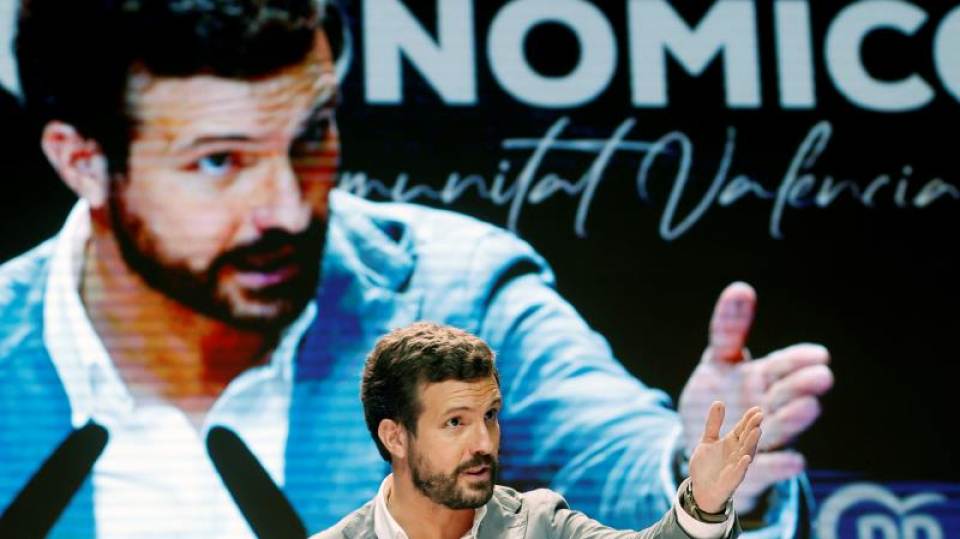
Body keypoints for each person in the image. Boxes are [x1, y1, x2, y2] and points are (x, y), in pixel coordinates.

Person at [0, 0, 833, 537]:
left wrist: (707, 472)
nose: (289, 208)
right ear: (82, 161)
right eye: (220, 160)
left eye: (312, 135)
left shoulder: (458, 288)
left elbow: (616, 460)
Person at [317, 322, 761, 539]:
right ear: (395, 436)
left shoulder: (538, 525)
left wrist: (704, 504)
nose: (483, 444)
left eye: (489, 416)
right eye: (455, 422)